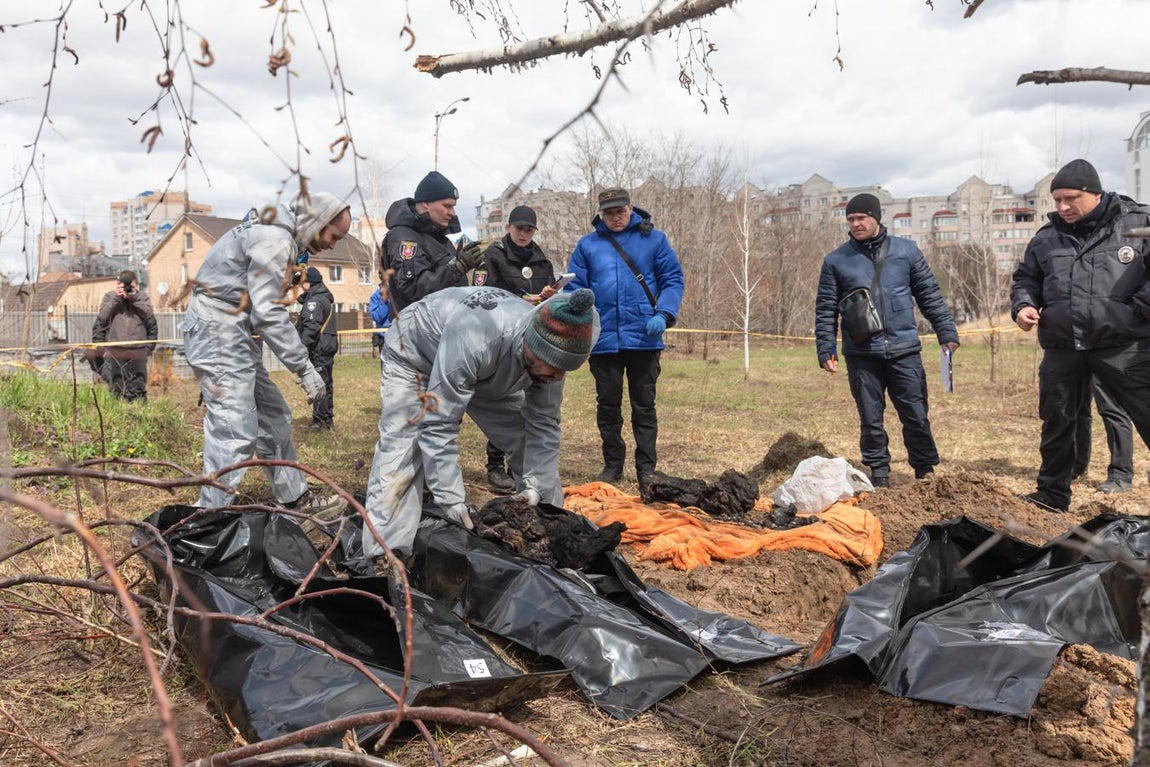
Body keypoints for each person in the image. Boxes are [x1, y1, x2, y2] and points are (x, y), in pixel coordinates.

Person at [362, 286, 599, 567]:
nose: (559, 376)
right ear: (533, 348)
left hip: (490, 366)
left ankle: (552, 538)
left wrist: (536, 487)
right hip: (416, 355)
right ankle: (386, 556)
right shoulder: (475, 338)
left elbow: (544, 425)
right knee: (404, 446)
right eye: (553, 367)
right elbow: (439, 423)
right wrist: (450, 498)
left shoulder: (553, 350)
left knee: (525, 438)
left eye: (565, 369)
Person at [180, 192, 352, 521]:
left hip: (229, 329)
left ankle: (293, 497)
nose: (332, 245)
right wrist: (304, 368)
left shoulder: (274, 234)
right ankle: (207, 520)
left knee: (273, 415)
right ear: (318, 223)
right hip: (217, 330)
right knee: (234, 426)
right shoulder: (275, 240)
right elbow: (268, 314)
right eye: (334, 236)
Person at [1011, 158, 1150, 512]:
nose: (1062, 207)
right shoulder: (1046, 238)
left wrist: (1135, 309)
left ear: (1095, 193)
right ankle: (1052, 494)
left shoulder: (1137, 224)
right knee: (1057, 418)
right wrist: (1023, 305)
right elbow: (1026, 279)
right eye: (1057, 200)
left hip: (1123, 344)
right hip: (1063, 345)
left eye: (1070, 198)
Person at [815, 193, 959, 488]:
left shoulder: (907, 252)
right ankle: (879, 472)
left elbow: (929, 294)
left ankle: (924, 471)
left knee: (916, 414)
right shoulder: (836, 260)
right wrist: (826, 348)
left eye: (861, 218)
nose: (856, 224)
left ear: (876, 217)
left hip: (904, 348)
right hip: (861, 352)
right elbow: (826, 307)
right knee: (870, 417)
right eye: (851, 219)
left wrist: (946, 332)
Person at [567, 187, 684, 485]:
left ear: (631, 208)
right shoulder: (587, 246)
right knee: (608, 406)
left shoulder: (654, 240)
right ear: (601, 214)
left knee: (644, 405)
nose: (615, 218)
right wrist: (579, 318)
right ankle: (612, 465)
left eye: (620, 211)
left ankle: (647, 469)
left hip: (644, 338)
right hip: (603, 340)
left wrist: (664, 314)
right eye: (609, 213)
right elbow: (574, 288)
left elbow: (672, 279)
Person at [472, 204, 560, 492]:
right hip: (500, 339)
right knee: (503, 402)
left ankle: (519, 466)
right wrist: (521, 302)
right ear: (508, 227)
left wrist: (547, 297)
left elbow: (549, 299)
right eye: (519, 228)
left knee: (527, 404)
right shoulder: (493, 257)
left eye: (529, 229)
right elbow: (483, 297)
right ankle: (495, 465)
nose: (523, 234)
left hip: (533, 341)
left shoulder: (541, 261)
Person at [380, 170, 485, 314]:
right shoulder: (404, 237)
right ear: (426, 203)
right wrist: (458, 267)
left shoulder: (438, 237)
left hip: (445, 327)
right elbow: (412, 290)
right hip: (418, 331)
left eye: (453, 206)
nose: (452, 213)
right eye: (447, 206)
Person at [91, 270, 158, 402]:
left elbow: (150, 318)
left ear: (136, 285)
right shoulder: (110, 297)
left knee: (138, 386)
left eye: (131, 287)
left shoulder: (142, 298)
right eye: (124, 286)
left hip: (138, 349)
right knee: (116, 387)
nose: (128, 289)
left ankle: (140, 414)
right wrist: (117, 298)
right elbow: (101, 319)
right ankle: (118, 416)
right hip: (116, 349)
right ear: (118, 285)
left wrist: (133, 300)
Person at [1072, 377, 1134, 493]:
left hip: (1105, 359)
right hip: (1073, 359)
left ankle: (1121, 476)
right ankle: (1077, 469)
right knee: (1077, 408)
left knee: (1112, 409)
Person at [296, 266, 339, 430]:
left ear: (309, 283)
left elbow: (311, 328)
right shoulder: (324, 298)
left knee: (319, 383)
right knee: (326, 383)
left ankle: (319, 421)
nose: (300, 286)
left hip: (319, 347)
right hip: (327, 344)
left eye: (303, 282)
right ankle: (327, 420)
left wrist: (301, 347)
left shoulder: (314, 301)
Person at [368, 278, 392, 357]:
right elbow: (377, 317)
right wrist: (384, 301)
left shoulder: (399, 291)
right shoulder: (376, 296)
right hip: (384, 338)